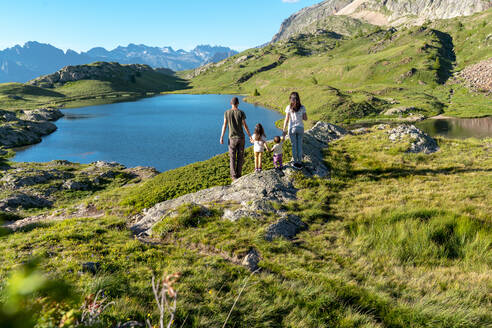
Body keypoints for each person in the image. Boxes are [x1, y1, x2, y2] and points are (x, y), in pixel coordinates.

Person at [220, 97, 253, 180]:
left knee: (232, 158)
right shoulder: (241, 112)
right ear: (238, 103)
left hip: (232, 138)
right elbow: (245, 125)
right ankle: (239, 175)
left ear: (231, 103)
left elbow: (224, 125)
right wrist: (250, 136)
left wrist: (222, 137)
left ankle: (234, 177)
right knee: (240, 157)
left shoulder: (227, 113)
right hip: (241, 138)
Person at [282, 92, 307, 169]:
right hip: (300, 128)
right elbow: (305, 119)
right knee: (299, 145)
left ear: (290, 99)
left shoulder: (288, 107)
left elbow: (286, 119)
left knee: (294, 145)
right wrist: (300, 115)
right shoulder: (302, 107)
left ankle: (295, 162)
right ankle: (300, 162)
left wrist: (284, 129)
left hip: (291, 128)